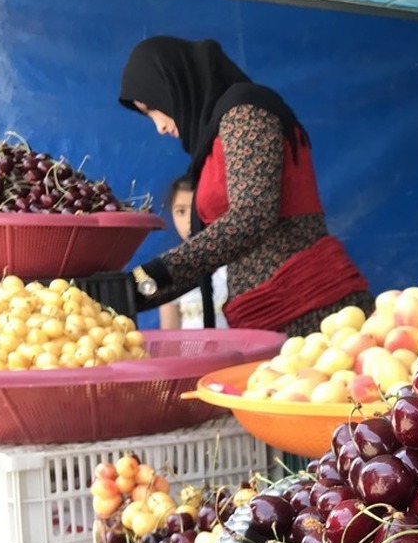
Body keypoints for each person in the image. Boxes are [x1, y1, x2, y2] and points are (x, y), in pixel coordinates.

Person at [119, 36, 373, 335]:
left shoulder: (245, 111)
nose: (159, 126)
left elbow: (250, 217)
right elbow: (212, 251)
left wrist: (144, 281)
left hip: (315, 310)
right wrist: (127, 293)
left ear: (173, 83)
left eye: (152, 108)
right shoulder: (214, 138)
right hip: (268, 318)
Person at [157, 174, 229, 330]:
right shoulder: (171, 269)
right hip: (190, 353)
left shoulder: (233, 263)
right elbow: (169, 331)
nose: (190, 220)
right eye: (180, 211)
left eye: (197, 210)